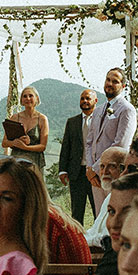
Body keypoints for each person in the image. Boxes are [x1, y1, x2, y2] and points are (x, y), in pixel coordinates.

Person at [84, 68, 137, 212]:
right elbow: (89, 142)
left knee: (114, 214)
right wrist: (89, 168)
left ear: (123, 86)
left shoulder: (127, 110)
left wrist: (96, 169)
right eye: (108, 80)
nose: (110, 84)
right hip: (94, 177)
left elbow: (120, 144)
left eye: (115, 81)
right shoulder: (98, 110)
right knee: (99, 215)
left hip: (113, 173)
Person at [58, 89, 99, 224]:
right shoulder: (72, 122)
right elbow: (66, 147)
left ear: (95, 101)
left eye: (88, 98)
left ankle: (99, 243)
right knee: (76, 212)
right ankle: (77, 242)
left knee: (97, 210)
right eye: (82, 98)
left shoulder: (101, 121)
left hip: (95, 172)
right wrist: (63, 170)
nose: (85, 101)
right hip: (76, 173)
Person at [82, 147, 127, 248]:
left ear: (123, 169)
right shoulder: (110, 196)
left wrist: (83, 241)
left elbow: (106, 239)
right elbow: (94, 232)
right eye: (102, 166)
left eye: (111, 166)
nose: (105, 172)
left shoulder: (126, 200)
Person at [2, 86, 48, 171]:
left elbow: (42, 146)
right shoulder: (14, 118)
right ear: (21, 100)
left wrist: (25, 147)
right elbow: (4, 143)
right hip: (16, 163)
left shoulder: (42, 119)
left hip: (34, 164)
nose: (28, 98)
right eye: (25, 96)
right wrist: (14, 143)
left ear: (37, 98)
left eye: (31, 96)